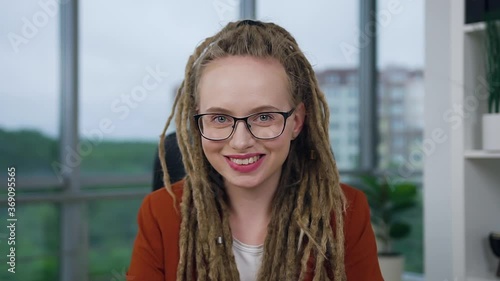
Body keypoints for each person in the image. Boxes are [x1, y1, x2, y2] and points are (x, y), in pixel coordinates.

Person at [127, 19, 383, 281]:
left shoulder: (344, 213)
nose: (240, 142)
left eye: (263, 118)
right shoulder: (160, 213)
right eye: (220, 118)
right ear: (198, 121)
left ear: (296, 121)